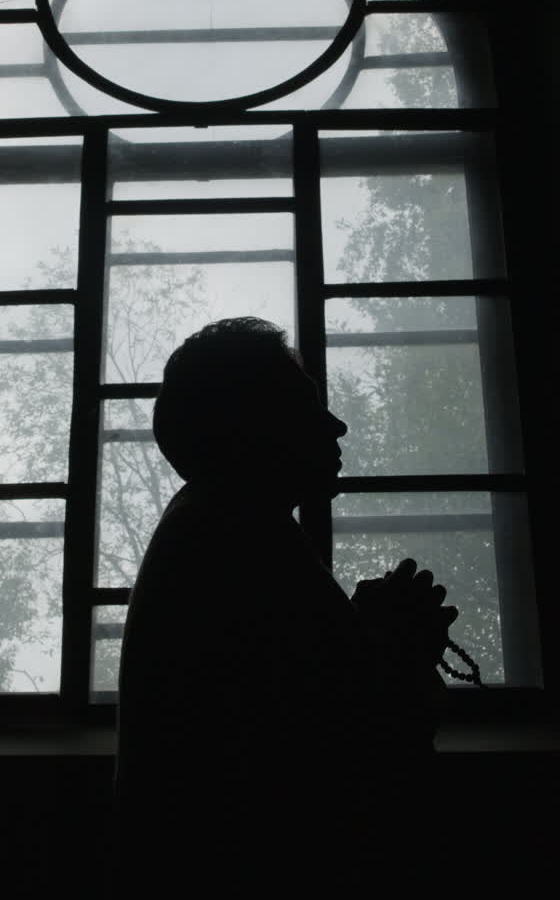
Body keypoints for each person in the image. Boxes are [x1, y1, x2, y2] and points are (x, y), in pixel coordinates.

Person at [113, 318, 457, 894]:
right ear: (252, 428)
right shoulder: (247, 540)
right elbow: (358, 749)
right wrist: (401, 643)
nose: (337, 425)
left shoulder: (214, 526)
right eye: (307, 406)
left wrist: (366, 633)